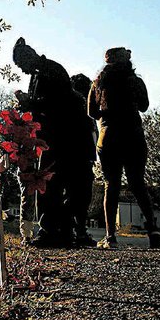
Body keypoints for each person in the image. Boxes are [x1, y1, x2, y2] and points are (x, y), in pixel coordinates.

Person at [88, 47, 160, 249]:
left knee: (110, 184)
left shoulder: (98, 83)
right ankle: (154, 233)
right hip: (133, 135)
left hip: (109, 136)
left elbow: (92, 112)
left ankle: (110, 236)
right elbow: (145, 106)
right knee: (138, 183)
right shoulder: (135, 82)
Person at [12, 37, 73, 247]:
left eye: (21, 65)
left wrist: (33, 103)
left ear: (29, 58)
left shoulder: (52, 70)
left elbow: (61, 102)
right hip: (45, 135)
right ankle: (58, 229)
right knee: (49, 183)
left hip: (58, 134)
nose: (22, 71)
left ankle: (52, 230)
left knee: (50, 182)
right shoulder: (39, 74)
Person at [67, 73, 98, 247]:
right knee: (80, 195)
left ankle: (76, 229)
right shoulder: (82, 111)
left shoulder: (82, 112)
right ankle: (78, 230)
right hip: (81, 157)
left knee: (78, 195)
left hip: (83, 157)